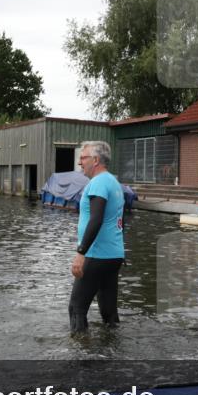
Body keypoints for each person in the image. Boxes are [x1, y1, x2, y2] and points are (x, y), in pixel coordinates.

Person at [69, 140, 125, 334]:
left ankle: (81, 358)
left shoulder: (99, 183)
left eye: (83, 158)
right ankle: (112, 353)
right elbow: (119, 220)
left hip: (96, 254)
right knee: (109, 312)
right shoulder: (113, 182)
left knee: (76, 309)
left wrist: (81, 252)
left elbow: (97, 219)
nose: (79, 163)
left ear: (95, 159)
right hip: (113, 255)